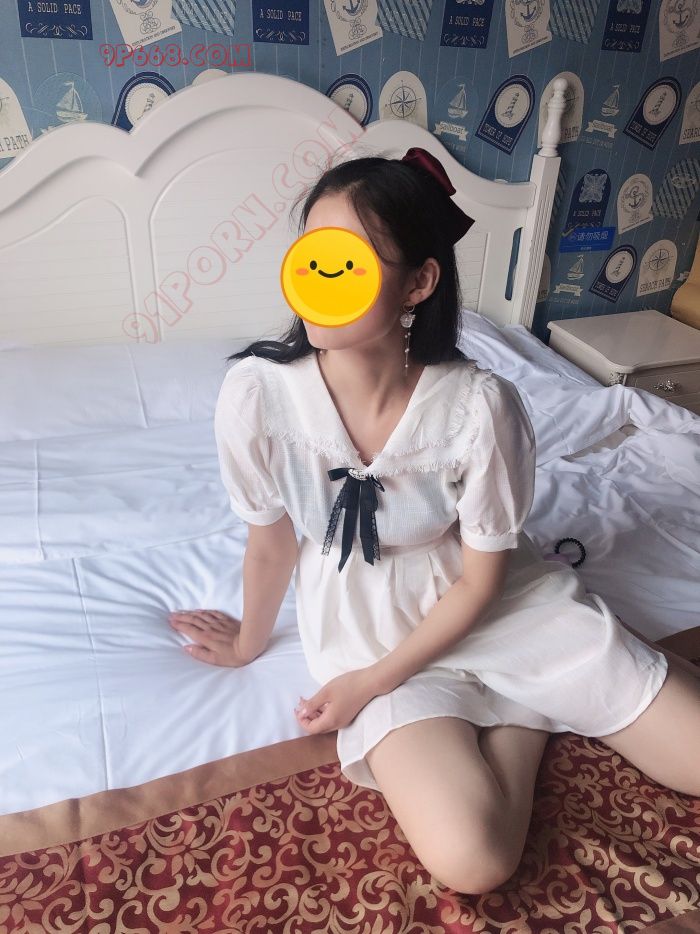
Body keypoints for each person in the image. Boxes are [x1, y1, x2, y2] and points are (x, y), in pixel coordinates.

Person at [169, 148, 700, 896]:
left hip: (494, 602)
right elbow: (271, 538)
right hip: (370, 629)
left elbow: (483, 581)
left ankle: (551, 683)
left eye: (352, 260)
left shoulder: (480, 406)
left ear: (418, 282)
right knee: (472, 861)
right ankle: (524, 720)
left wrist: (369, 686)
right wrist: (250, 642)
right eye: (314, 254)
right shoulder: (257, 396)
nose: (322, 279)